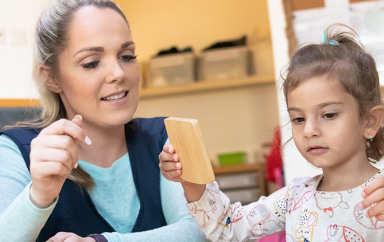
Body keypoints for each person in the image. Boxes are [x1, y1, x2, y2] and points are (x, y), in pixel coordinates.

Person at [0, 0, 207, 241]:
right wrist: (38, 196)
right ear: (51, 77)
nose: (118, 73)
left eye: (127, 56)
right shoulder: (15, 151)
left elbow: (201, 229)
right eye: (91, 63)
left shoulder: (167, 135)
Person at [159, 24, 384, 241]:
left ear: (370, 121)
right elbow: (229, 228)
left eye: (328, 115)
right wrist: (190, 180)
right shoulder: (296, 196)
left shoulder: (381, 195)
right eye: (298, 118)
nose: (309, 130)